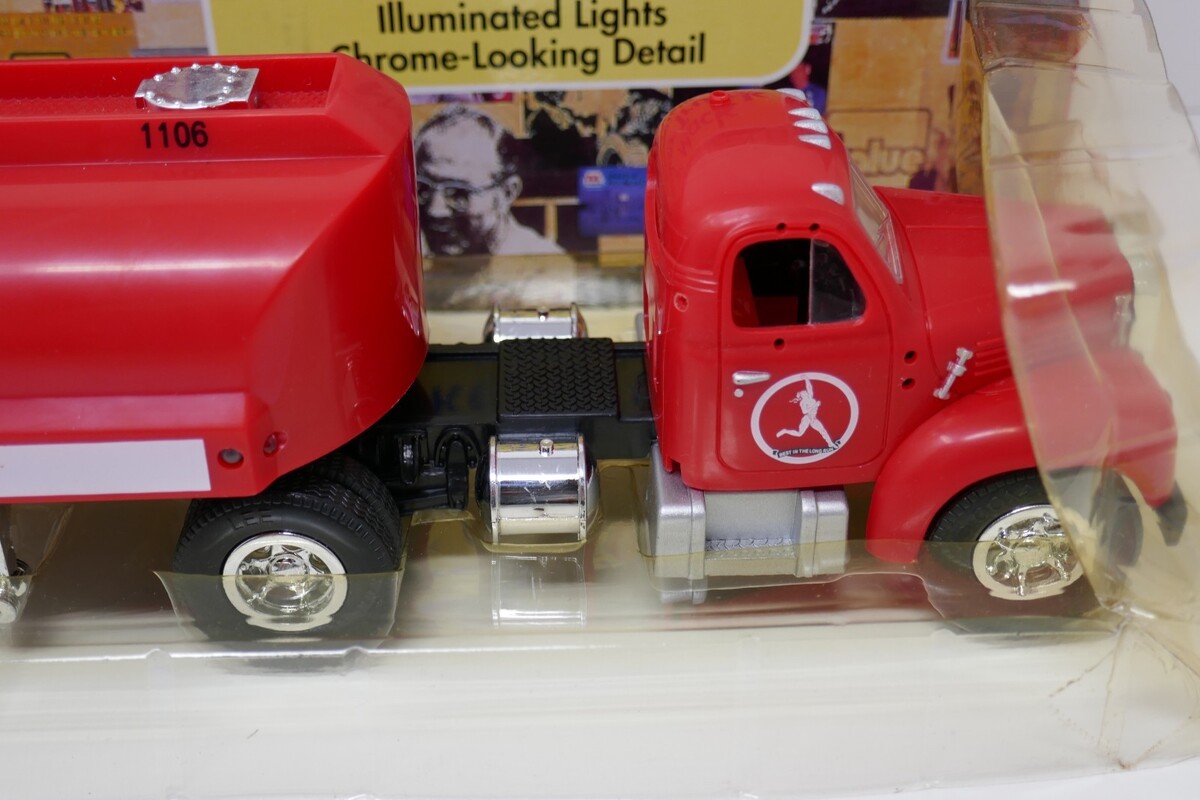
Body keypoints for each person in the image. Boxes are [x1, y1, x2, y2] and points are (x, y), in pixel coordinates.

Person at [414, 105, 563, 257]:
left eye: (458, 193)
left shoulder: (543, 263)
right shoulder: (411, 257)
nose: (435, 211)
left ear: (507, 193)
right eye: (422, 189)